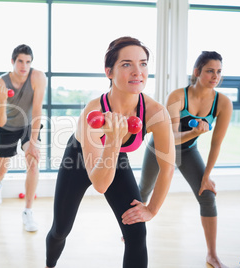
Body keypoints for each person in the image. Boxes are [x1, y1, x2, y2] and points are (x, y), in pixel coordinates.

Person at [45, 36, 175, 268]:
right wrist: (114, 139)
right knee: (60, 229)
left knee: (136, 233)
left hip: (116, 158)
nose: (138, 71)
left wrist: (152, 209)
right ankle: (49, 264)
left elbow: (167, 167)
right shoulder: (93, 112)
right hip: (77, 161)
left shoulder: (155, 112)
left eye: (143, 63)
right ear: (109, 72)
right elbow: (100, 184)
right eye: (126, 64)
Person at [139, 51, 232, 268]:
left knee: (207, 195)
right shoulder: (178, 96)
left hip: (189, 152)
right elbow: (169, 139)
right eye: (210, 71)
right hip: (160, 149)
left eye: (219, 72)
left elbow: (216, 144)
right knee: (143, 191)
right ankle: (131, 232)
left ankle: (212, 255)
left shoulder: (223, 103)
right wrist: (195, 133)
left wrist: (207, 176)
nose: (215, 76)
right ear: (197, 72)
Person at [0, 44, 46, 232]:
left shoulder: (38, 77)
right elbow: (0, 120)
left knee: (33, 162)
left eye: (28, 62)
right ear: (13, 62)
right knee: (2, 169)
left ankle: (28, 212)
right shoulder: (1, 83)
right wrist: (1, 101)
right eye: (20, 61)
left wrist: (33, 142)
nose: (24, 66)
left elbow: (38, 109)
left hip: (29, 125)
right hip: (7, 125)